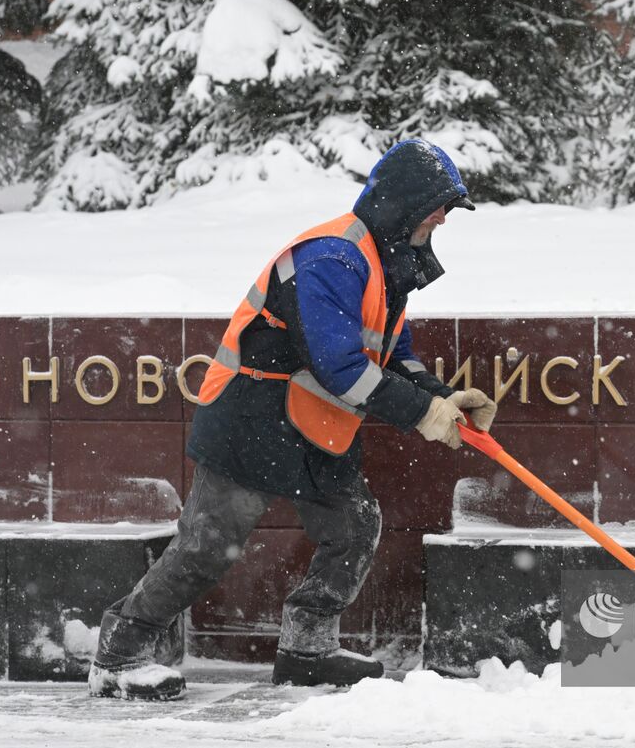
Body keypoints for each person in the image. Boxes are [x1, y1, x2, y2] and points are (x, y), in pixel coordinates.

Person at [88, 140, 496, 701]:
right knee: (207, 546)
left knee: (354, 526)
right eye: (439, 204)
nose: (445, 217)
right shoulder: (332, 256)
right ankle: (120, 654)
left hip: (314, 425)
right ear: (405, 201)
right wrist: (421, 413)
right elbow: (338, 365)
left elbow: (392, 352)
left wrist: (445, 397)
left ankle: (307, 649)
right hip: (250, 417)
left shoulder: (386, 258)